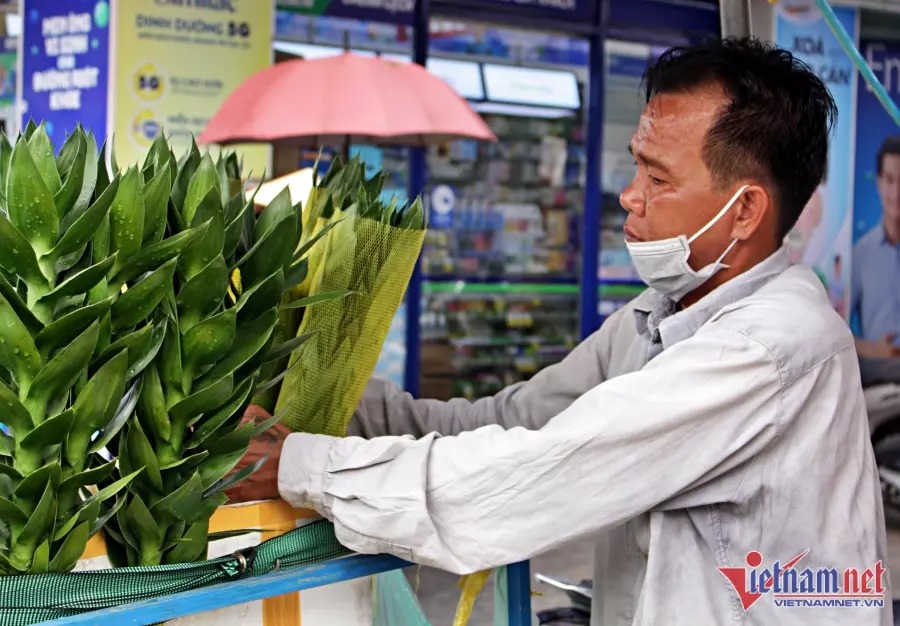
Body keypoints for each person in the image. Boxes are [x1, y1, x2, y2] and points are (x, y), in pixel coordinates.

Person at [228, 38, 890, 625]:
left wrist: (300, 466)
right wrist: (326, 393)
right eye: (636, 166)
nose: (629, 196)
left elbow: (533, 474)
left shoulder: (767, 350)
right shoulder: (657, 318)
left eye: (657, 178)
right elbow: (503, 422)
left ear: (744, 210)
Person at [852, 135, 900, 387]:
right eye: (890, 180)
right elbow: (836, 335)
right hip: (878, 380)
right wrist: (872, 350)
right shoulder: (860, 255)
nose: (897, 192)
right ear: (879, 183)